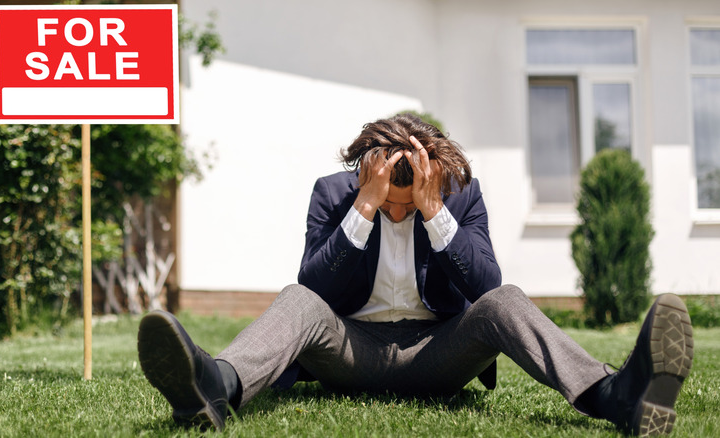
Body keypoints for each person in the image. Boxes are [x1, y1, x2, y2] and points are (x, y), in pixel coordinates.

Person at [137, 113, 693, 436]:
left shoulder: (459, 192)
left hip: (438, 353)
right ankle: (213, 388)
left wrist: (435, 214)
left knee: (506, 300)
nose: (397, 214)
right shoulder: (335, 195)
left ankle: (614, 395)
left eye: (407, 205)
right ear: (367, 176)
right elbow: (315, 289)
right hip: (351, 351)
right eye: (390, 205)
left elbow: (485, 288)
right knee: (297, 299)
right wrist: (363, 209)